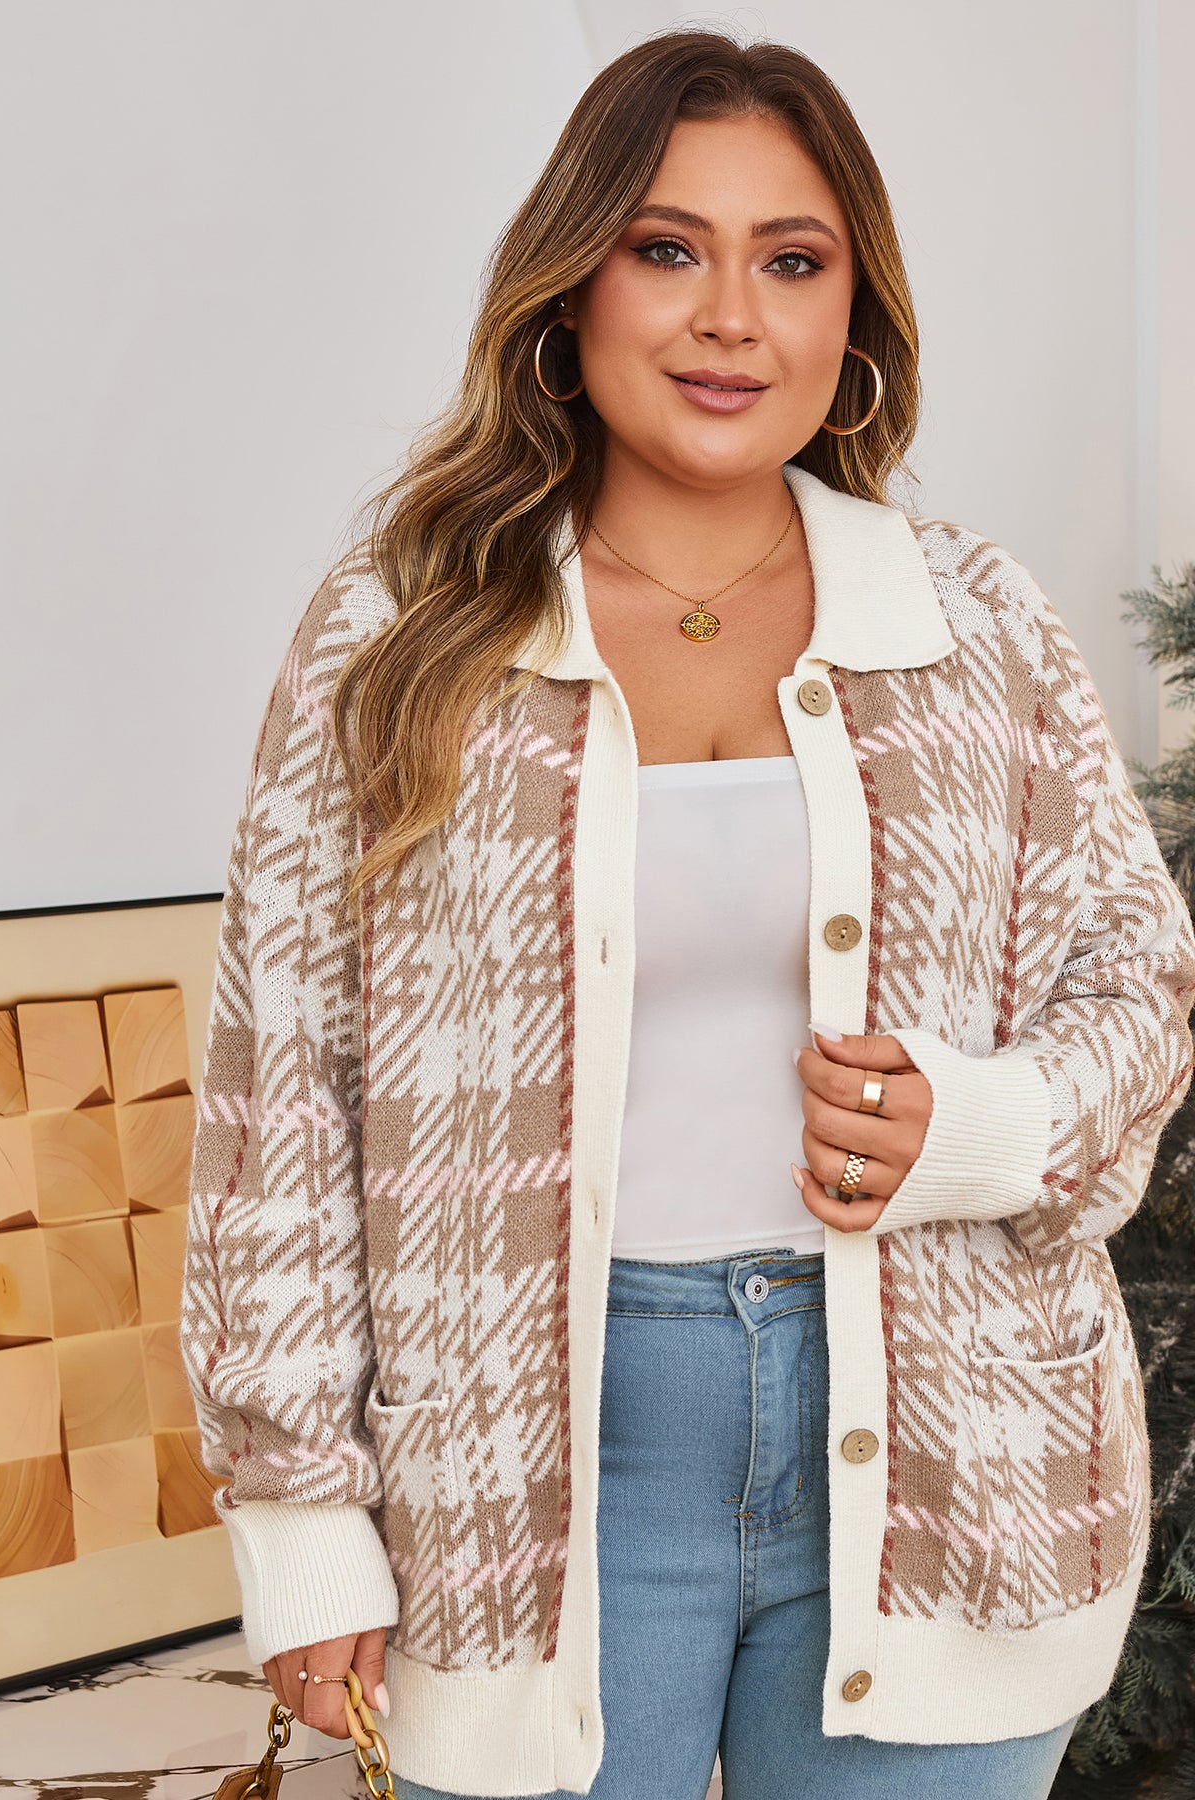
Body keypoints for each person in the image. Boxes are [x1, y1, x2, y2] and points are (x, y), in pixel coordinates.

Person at [180, 27, 1195, 1800]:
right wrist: (304, 1518)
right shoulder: (404, 636)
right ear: (572, 287)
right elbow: (286, 1101)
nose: (732, 318)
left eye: (792, 262)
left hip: (961, 1457)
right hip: (527, 1475)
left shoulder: (974, 621)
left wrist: (978, 1125)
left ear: (852, 319)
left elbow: (1138, 980)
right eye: (669, 250)